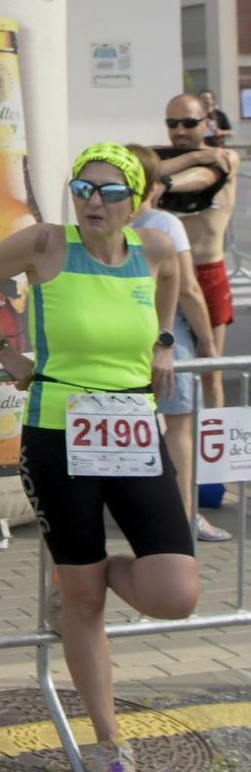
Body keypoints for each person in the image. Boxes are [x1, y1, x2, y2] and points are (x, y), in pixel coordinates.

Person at [0, 143, 199, 772]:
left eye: (110, 191)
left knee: (177, 591)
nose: (93, 201)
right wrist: (4, 352)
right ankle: (111, 745)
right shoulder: (45, 243)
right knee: (87, 603)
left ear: (135, 202)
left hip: (134, 434)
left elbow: (172, 284)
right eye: (83, 187)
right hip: (59, 435)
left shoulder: (156, 248)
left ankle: (78, 581)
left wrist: (164, 341)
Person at [127, 144, 228, 544]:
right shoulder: (164, 222)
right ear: (153, 184)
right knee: (180, 427)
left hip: (124, 335)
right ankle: (185, 517)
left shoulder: (102, 225)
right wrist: (208, 341)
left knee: (135, 425)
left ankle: (140, 512)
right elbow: (187, 288)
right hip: (166, 333)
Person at [157, 94, 239, 409]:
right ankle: (177, 433)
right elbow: (141, 167)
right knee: (163, 370)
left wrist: (165, 183)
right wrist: (191, 158)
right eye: (172, 123)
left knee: (210, 368)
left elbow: (205, 178)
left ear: (207, 123)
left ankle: (213, 436)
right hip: (169, 276)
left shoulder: (224, 157)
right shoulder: (165, 162)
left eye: (189, 123)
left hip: (206, 272)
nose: (180, 131)